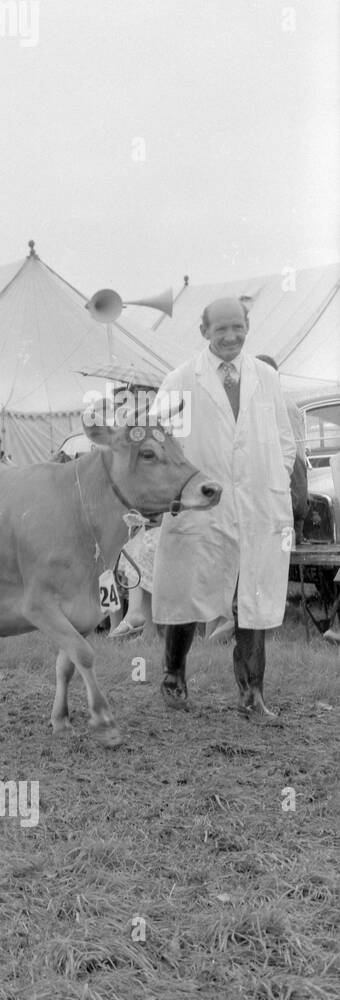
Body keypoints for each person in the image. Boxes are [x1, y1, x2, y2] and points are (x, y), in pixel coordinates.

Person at [152, 298, 295, 716]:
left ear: (248, 326)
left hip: (257, 505)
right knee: (186, 594)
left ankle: (253, 695)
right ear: (204, 332)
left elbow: (284, 441)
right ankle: (173, 673)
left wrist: (275, 481)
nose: (230, 337)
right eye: (221, 330)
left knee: (254, 597)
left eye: (238, 327)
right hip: (200, 506)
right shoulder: (180, 380)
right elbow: (158, 444)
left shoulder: (265, 377)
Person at [255, 355, 310, 540]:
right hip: (295, 488)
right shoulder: (286, 402)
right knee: (288, 547)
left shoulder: (274, 404)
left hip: (288, 492)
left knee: (283, 551)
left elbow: (278, 451)